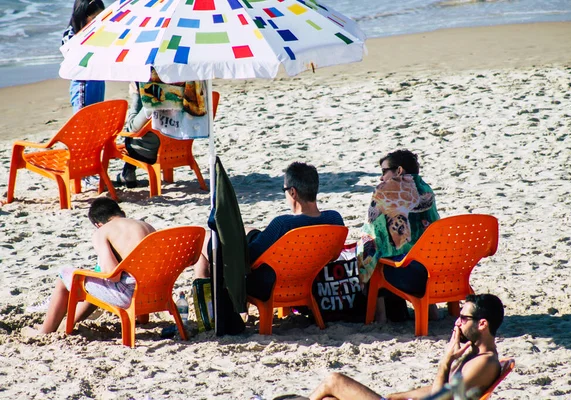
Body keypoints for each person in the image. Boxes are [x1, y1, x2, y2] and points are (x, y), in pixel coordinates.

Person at [308, 294, 505, 400]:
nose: (457, 323)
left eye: (463, 319)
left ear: (482, 324)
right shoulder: (474, 355)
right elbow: (443, 389)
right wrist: (398, 396)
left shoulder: (484, 362)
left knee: (334, 381)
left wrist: (446, 362)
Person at [194, 162, 344, 301]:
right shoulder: (335, 219)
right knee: (250, 232)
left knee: (203, 241)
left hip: (272, 285)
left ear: (293, 192)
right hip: (311, 279)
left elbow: (247, 259)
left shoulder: (283, 224)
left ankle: (209, 311)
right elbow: (335, 255)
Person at [23, 197, 155, 335]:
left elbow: (112, 276)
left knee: (65, 275)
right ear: (122, 212)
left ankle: (45, 331)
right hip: (155, 291)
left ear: (98, 224)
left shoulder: (102, 231)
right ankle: (69, 322)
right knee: (94, 279)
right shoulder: (146, 226)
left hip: (128, 296)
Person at [357, 149, 439, 322]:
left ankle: (380, 316)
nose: (381, 178)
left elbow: (371, 237)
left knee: (372, 255)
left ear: (399, 171)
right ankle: (432, 311)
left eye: (384, 171)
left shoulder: (384, 191)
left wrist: (361, 269)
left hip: (406, 273)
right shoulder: (426, 189)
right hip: (435, 271)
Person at [62, 0, 106, 113]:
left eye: (102, 16)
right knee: (83, 116)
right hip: (83, 83)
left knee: (96, 114)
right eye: (95, 17)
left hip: (97, 80)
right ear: (82, 16)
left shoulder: (98, 32)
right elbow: (74, 58)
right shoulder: (71, 35)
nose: (99, 21)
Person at [115, 82, 159, 188]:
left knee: (130, 139)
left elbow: (132, 129)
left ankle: (128, 173)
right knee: (144, 137)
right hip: (173, 150)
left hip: (148, 154)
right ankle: (128, 173)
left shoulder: (150, 106)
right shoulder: (176, 99)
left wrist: (136, 97)